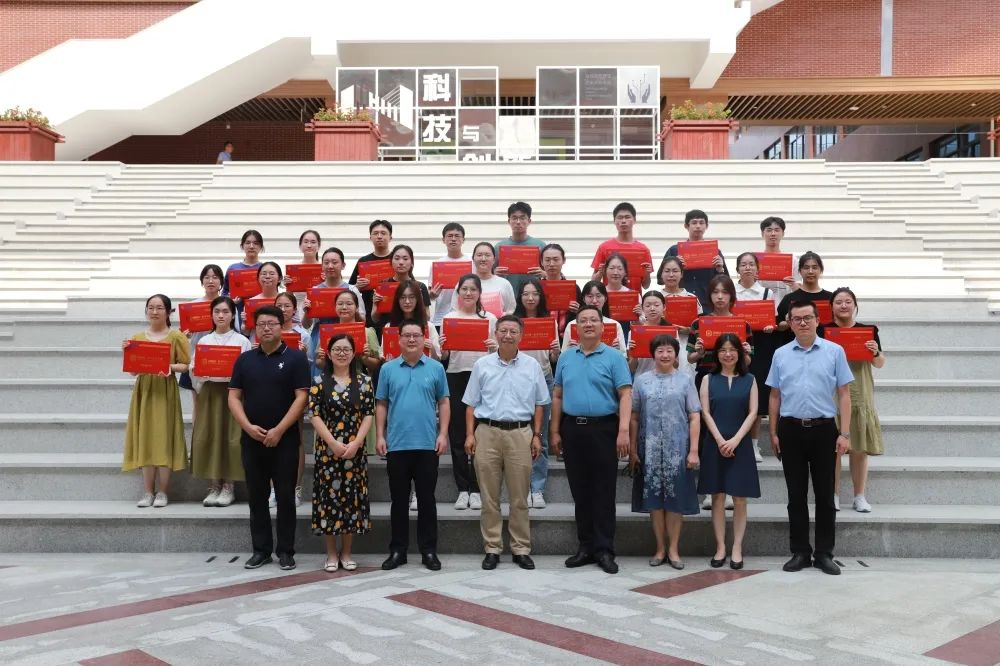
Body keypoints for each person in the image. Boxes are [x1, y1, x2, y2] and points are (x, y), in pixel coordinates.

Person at [767, 300, 853, 576]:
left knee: (825, 495)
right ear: (790, 323)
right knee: (795, 495)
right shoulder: (780, 354)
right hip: (790, 430)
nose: (803, 323)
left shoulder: (834, 351)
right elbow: (774, 395)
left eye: (807, 318)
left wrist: (844, 433)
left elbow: (844, 394)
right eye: (797, 319)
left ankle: (824, 553)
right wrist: (773, 432)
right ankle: (800, 552)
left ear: (817, 320)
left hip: (824, 429)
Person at [463, 315, 550, 570]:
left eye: (513, 331)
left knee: (519, 496)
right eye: (503, 330)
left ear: (521, 335)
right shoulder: (482, 365)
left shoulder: (532, 366)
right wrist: (470, 435)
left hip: (520, 433)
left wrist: (537, 435)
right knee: (489, 496)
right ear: (495, 333)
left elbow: (540, 403)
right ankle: (492, 548)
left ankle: (520, 548)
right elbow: (470, 404)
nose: (508, 335)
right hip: (487, 432)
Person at [551, 305, 633, 574]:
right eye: (583, 320)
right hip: (572, 429)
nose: (588, 324)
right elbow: (558, 395)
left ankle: (604, 549)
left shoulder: (614, 357)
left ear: (602, 326)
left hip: (604, 429)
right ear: (575, 327)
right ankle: (585, 547)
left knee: (603, 491)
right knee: (580, 491)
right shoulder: (566, 357)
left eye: (593, 320)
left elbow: (625, 395)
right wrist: (555, 430)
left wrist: (623, 430)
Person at [228, 305, 311, 571]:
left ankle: (286, 551)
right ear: (255, 328)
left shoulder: (296, 358)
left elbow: (302, 397)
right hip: (252, 439)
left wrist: (279, 430)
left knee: (285, 496)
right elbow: (233, 397)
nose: (266, 328)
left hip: (285, 440)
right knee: (257, 496)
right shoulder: (245, 360)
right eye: (261, 324)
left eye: (271, 324)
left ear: (281, 326)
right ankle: (261, 550)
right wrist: (248, 427)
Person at [375, 320, 450, 571]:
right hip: (397, 444)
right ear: (398, 339)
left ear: (423, 338)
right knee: (398, 500)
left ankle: (429, 551)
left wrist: (443, 434)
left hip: (427, 444)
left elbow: (444, 402)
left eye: (416, 335)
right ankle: (398, 550)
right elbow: (381, 403)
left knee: (427, 499)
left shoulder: (436, 368)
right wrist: (380, 435)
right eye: (406, 335)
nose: (411, 340)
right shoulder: (387, 369)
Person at [629, 334, 700, 569]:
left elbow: (694, 416)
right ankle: (660, 548)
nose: (665, 355)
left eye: (670, 350)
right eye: (660, 351)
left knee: (675, 502)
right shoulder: (641, 381)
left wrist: (693, 450)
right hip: (649, 450)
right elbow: (634, 416)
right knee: (655, 503)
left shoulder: (685, 380)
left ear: (676, 354)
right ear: (653, 354)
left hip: (677, 451)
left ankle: (674, 549)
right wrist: (633, 449)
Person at [309, 333, 375, 572]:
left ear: (354, 353)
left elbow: (368, 413)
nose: (341, 353)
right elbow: (314, 414)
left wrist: (357, 443)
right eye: (337, 349)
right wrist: (332, 443)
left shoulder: (364, 381)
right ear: (328, 353)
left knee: (350, 501)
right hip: (328, 451)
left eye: (346, 349)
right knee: (329, 501)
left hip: (354, 451)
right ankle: (331, 554)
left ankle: (346, 553)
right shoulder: (319, 381)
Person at [697, 334, 761, 570]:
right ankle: (721, 547)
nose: (728, 354)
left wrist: (734, 440)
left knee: (740, 498)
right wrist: (720, 440)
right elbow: (705, 412)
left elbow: (753, 413)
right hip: (714, 443)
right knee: (717, 496)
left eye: (732, 349)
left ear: (740, 353)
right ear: (717, 353)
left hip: (740, 444)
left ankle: (737, 547)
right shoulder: (708, 379)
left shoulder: (750, 379)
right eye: (723, 350)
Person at [122, 295, 190, 508]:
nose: (154, 312)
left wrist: (169, 367)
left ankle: (163, 492)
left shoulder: (176, 336)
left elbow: (185, 365)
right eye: (150, 307)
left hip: (165, 390)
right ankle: (148, 491)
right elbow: (133, 371)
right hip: (145, 392)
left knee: (163, 438)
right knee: (146, 438)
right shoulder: (137, 337)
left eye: (159, 308)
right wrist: (128, 352)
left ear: (168, 312)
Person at [440, 274, 499, 510]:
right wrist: (444, 349)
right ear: (458, 292)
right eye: (464, 289)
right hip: (455, 376)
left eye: (473, 289)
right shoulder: (448, 318)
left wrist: (494, 347)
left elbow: (498, 356)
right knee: (457, 434)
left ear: (479, 293)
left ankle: (476, 489)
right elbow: (444, 357)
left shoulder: (490, 319)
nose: (468, 293)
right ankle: (462, 489)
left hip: (483, 378)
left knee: (480, 434)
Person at [250, 292, 312, 509]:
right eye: (280, 305)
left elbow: (309, 365)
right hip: (267, 392)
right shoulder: (264, 332)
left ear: (295, 310)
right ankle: (273, 490)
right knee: (267, 439)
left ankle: (296, 488)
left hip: (293, 392)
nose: (283, 309)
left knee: (296, 439)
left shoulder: (303, 334)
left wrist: (304, 354)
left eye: (287, 306)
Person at [827, 287, 885, 513]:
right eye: (838, 302)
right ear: (831, 306)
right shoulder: (824, 331)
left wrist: (875, 351)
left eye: (848, 301)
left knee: (859, 447)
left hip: (860, 390)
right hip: (831, 392)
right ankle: (833, 494)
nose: (843, 305)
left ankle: (859, 496)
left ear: (855, 305)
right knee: (832, 449)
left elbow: (879, 363)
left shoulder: (868, 331)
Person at [190, 296, 251, 507]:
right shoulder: (205, 341)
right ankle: (214, 484)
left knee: (232, 437)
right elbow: (194, 367)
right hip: (210, 393)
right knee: (212, 435)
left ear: (233, 315)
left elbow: (247, 370)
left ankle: (229, 487)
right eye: (217, 312)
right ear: (211, 315)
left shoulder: (242, 341)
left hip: (233, 394)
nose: (221, 315)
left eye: (225, 311)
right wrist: (199, 370)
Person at [512, 278, 561, 508]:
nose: (530, 298)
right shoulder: (513, 322)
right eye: (525, 294)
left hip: (544, 377)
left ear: (541, 297)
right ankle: (521, 487)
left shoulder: (549, 322)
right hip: (517, 379)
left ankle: (538, 488)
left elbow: (552, 359)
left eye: (534, 294)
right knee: (519, 433)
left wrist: (555, 352)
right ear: (519, 297)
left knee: (539, 435)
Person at [734, 251, 775, 463]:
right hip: (734, 345)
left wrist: (770, 326)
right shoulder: (730, 292)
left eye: (751, 264)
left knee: (756, 393)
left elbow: (772, 319)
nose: (747, 267)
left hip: (760, 344)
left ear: (758, 269)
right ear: (737, 269)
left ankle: (753, 444)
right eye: (743, 264)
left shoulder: (767, 292)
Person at [303, 247, 365, 369]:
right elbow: (306, 325)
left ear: (343, 265)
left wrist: (354, 312)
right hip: (320, 338)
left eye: (335, 262)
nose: (330, 266)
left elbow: (363, 322)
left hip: (347, 337)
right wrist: (307, 312)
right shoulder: (314, 291)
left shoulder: (352, 290)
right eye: (326, 263)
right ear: (322, 266)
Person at [177, 264, 224, 414]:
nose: (211, 281)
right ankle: (197, 430)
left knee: (220, 403)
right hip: (196, 358)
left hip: (221, 358)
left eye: (215, 277)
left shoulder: (227, 304)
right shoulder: (192, 305)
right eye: (207, 277)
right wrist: (185, 335)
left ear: (221, 281)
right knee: (198, 404)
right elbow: (183, 335)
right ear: (202, 281)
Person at [663, 209, 729, 311]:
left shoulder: (715, 251)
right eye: (694, 223)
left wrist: (720, 269)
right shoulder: (674, 250)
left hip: (708, 305)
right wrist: (675, 266)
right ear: (686, 226)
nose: (698, 226)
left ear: (706, 226)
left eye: (701, 223)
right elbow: (660, 279)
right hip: (680, 304)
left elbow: (726, 283)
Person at [591, 202, 653, 290]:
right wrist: (600, 272)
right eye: (620, 217)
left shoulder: (643, 250)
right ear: (614, 221)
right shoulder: (604, 247)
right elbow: (594, 282)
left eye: (627, 217)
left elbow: (646, 286)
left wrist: (647, 274)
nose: (623, 221)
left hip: (634, 297)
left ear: (634, 220)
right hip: (609, 297)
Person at [450, 242, 515, 319]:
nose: (483, 259)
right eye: (479, 255)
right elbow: (455, 308)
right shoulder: (463, 283)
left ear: (494, 259)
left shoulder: (504, 284)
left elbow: (510, 310)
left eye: (487, 255)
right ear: (473, 259)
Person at [349, 219, 394, 330]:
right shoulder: (363, 261)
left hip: (394, 314)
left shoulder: (397, 259)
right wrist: (357, 287)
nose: (379, 236)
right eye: (375, 233)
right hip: (369, 316)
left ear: (390, 237)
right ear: (370, 237)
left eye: (383, 233)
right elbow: (350, 289)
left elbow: (409, 284)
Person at [775, 251, 831, 340]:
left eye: (815, 267)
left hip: (825, 345)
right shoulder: (789, 298)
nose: (810, 271)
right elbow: (778, 326)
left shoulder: (831, 298)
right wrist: (788, 322)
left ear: (821, 270)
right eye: (806, 268)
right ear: (800, 271)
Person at [494, 201, 547, 295]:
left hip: (532, 298)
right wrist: (494, 273)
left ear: (529, 221)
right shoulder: (499, 247)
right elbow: (488, 274)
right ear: (509, 221)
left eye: (522, 218)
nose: (518, 222)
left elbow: (551, 274)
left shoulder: (540, 245)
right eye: (514, 218)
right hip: (507, 296)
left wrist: (543, 274)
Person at [629, 291, 684, 378]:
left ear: (664, 307)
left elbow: (676, 365)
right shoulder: (635, 332)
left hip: (667, 379)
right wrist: (635, 354)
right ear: (642, 308)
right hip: (642, 379)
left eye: (656, 305)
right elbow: (632, 368)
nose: (652, 309)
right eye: (648, 306)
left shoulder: (671, 331)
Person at [562, 281, 627, 354]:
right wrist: (569, 350)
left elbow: (623, 355)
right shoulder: (572, 324)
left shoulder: (615, 325)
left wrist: (617, 350)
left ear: (605, 298)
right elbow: (563, 355)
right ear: (583, 299)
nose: (594, 301)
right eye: (590, 296)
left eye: (598, 296)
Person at [372, 244, 431, 324]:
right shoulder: (383, 285)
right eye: (397, 258)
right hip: (388, 329)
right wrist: (375, 303)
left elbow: (427, 318)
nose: (401, 262)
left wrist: (420, 300)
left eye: (405, 259)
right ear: (391, 262)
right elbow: (375, 318)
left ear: (412, 263)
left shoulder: (420, 286)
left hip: (412, 329)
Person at [385, 279, 442, 361]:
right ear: (397, 300)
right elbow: (383, 357)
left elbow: (438, 360)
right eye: (403, 297)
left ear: (417, 299)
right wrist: (387, 361)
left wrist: (432, 348)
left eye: (411, 297)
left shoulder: (429, 326)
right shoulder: (389, 327)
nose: (407, 301)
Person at [429, 222, 470, 328]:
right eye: (450, 236)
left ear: (463, 240)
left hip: (466, 316)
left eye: (457, 236)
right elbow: (430, 292)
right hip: (440, 317)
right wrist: (432, 295)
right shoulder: (437, 265)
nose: (453, 239)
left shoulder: (471, 263)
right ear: (443, 240)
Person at [758, 216, 801, 305]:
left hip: (785, 307)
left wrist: (792, 284)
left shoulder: (793, 260)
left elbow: (798, 288)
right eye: (769, 230)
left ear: (783, 234)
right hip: (762, 306)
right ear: (762, 234)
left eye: (777, 230)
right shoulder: (755, 259)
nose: (773, 234)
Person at [540, 242, 581, 334]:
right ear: (542, 262)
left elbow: (582, 315)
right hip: (543, 335)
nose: (551, 264)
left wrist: (578, 310)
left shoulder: (574, 288)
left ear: (563, 260)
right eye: (547, 260)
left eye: (556, 259)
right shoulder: (536, 288)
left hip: (567, 336)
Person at [283, 229, 322, 324]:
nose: (309, 245)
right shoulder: (293, 270)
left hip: (320, 312)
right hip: (298, 314)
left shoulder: (325, 269)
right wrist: (288, 286)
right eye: (306, 242)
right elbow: (289, 298)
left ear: (319, 246)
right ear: (300, 246)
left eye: (313, 242)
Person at [241, 261, 283, 335]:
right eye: (264, 274)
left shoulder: (285, 301)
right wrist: (244, 323)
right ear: (258, 278)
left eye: (272, 274)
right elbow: (247, 333)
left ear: (280, 278)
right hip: (256, 341)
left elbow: (295, 325)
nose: (267, 276)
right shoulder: (251, 302)